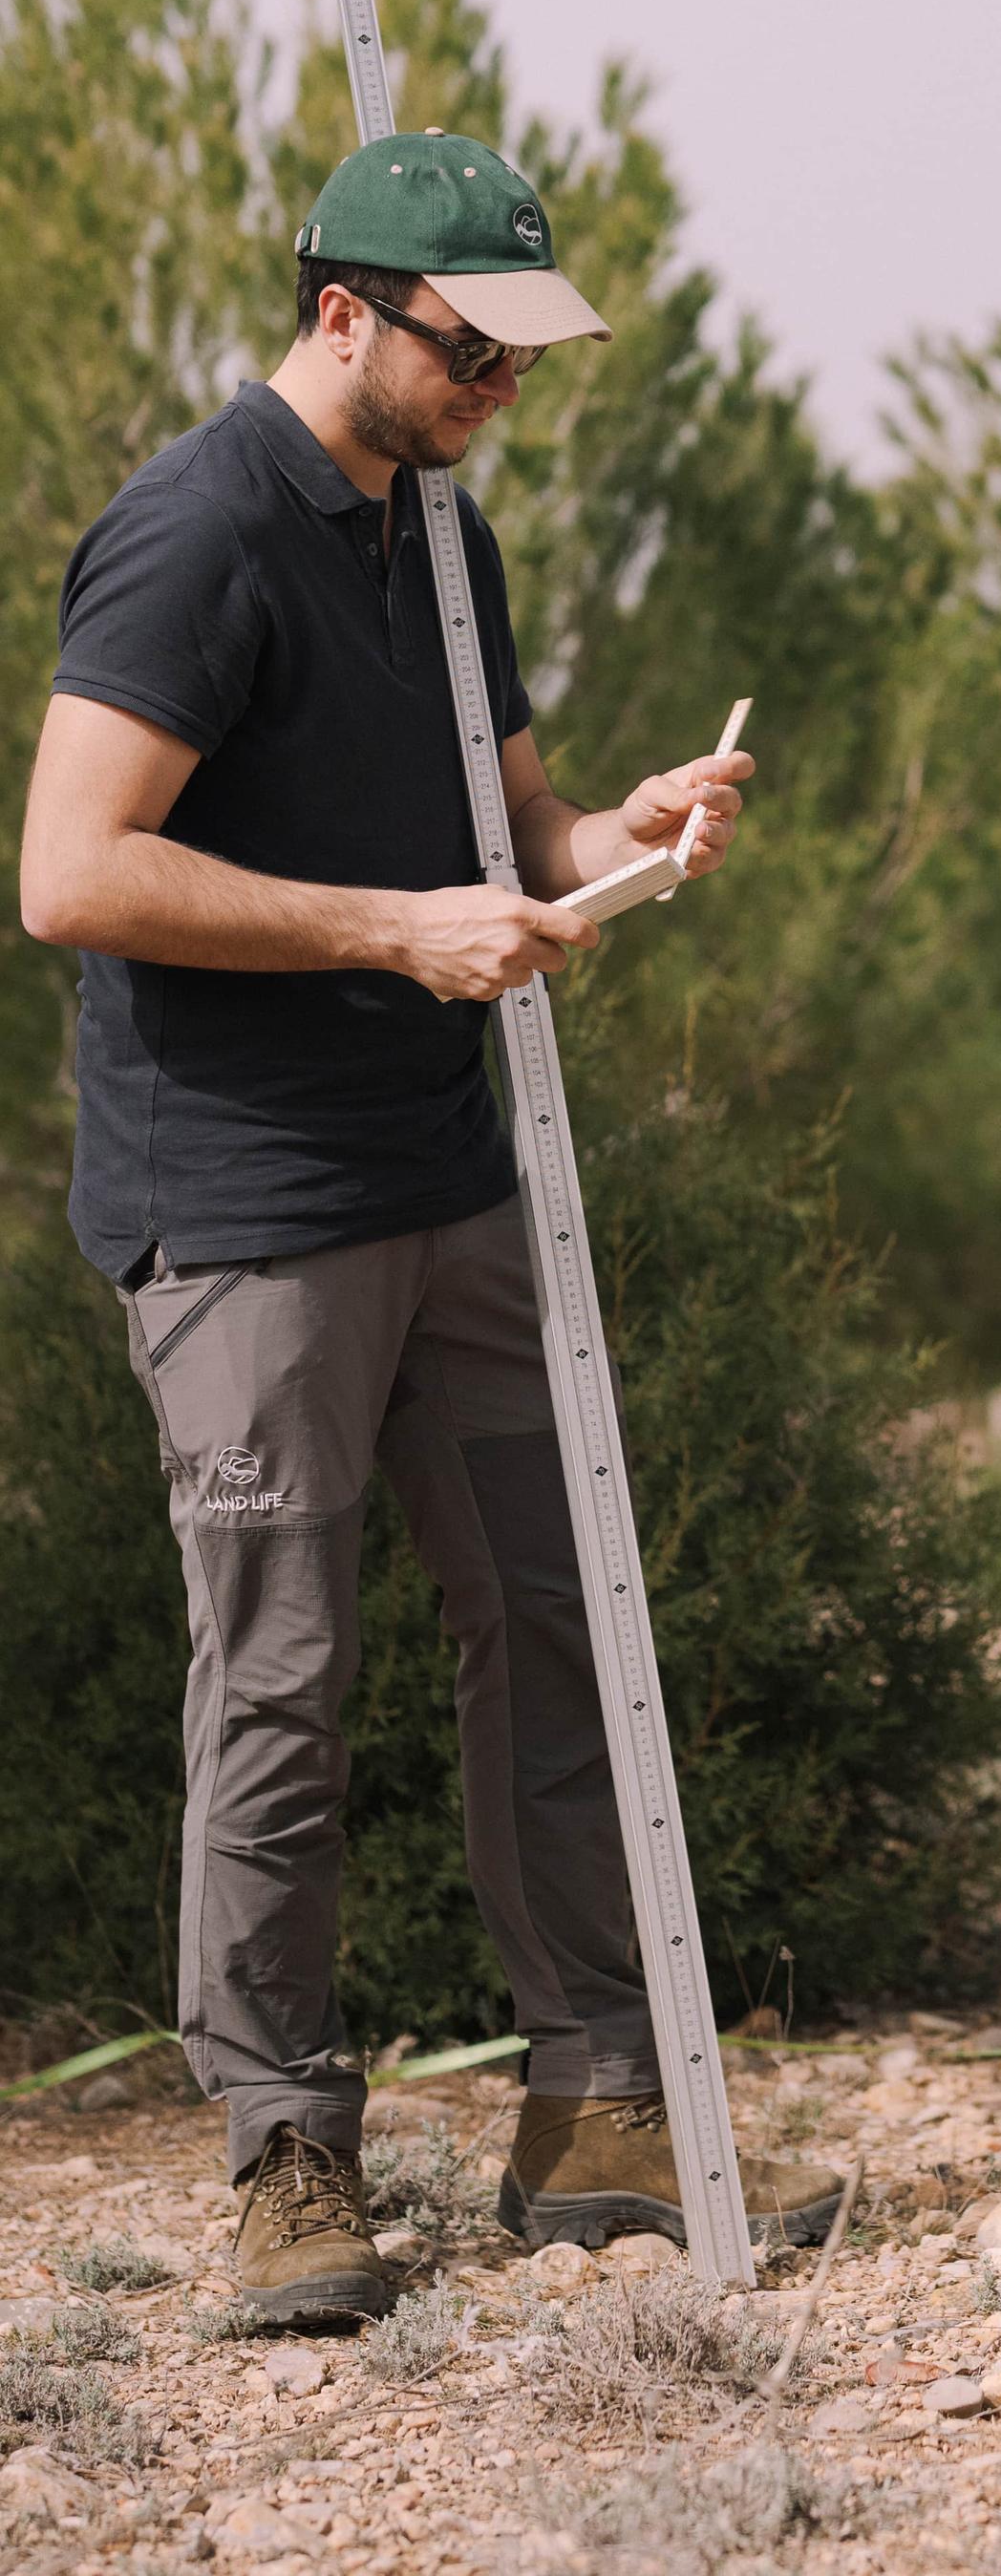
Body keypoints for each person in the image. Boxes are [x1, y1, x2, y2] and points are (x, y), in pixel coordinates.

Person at [19, 131, 841, 2322]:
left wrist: (620, 828)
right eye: (470, 347)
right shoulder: (194, 536)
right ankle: (286, 2150)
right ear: (343, 312)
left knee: (558, 1623)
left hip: (452, 1191)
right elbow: (71, 871)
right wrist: (397, 930)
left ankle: (593, 2113)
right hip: (248, 1221)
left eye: (526, 356)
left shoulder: (450, 536)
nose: (501, 387)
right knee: (282, 1674)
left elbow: (520, 823)